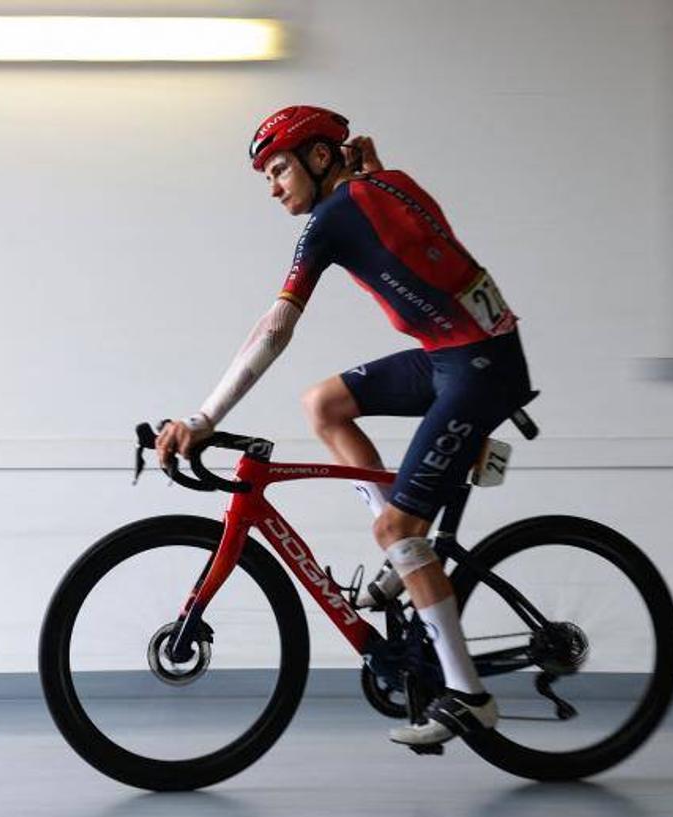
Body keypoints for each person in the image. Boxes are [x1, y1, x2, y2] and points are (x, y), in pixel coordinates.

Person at [155, 105, 533, 747]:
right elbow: (424, 234)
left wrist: (203, 418)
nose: (274, 187)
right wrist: (375, 174)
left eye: (278, 169)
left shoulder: (333, 217)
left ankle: (470, 697)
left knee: (397, 527)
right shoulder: (382, 182)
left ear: (321, 158)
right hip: (454, 355)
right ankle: (404, 549)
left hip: (477, 368)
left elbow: (275, 330)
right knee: (323, 404)